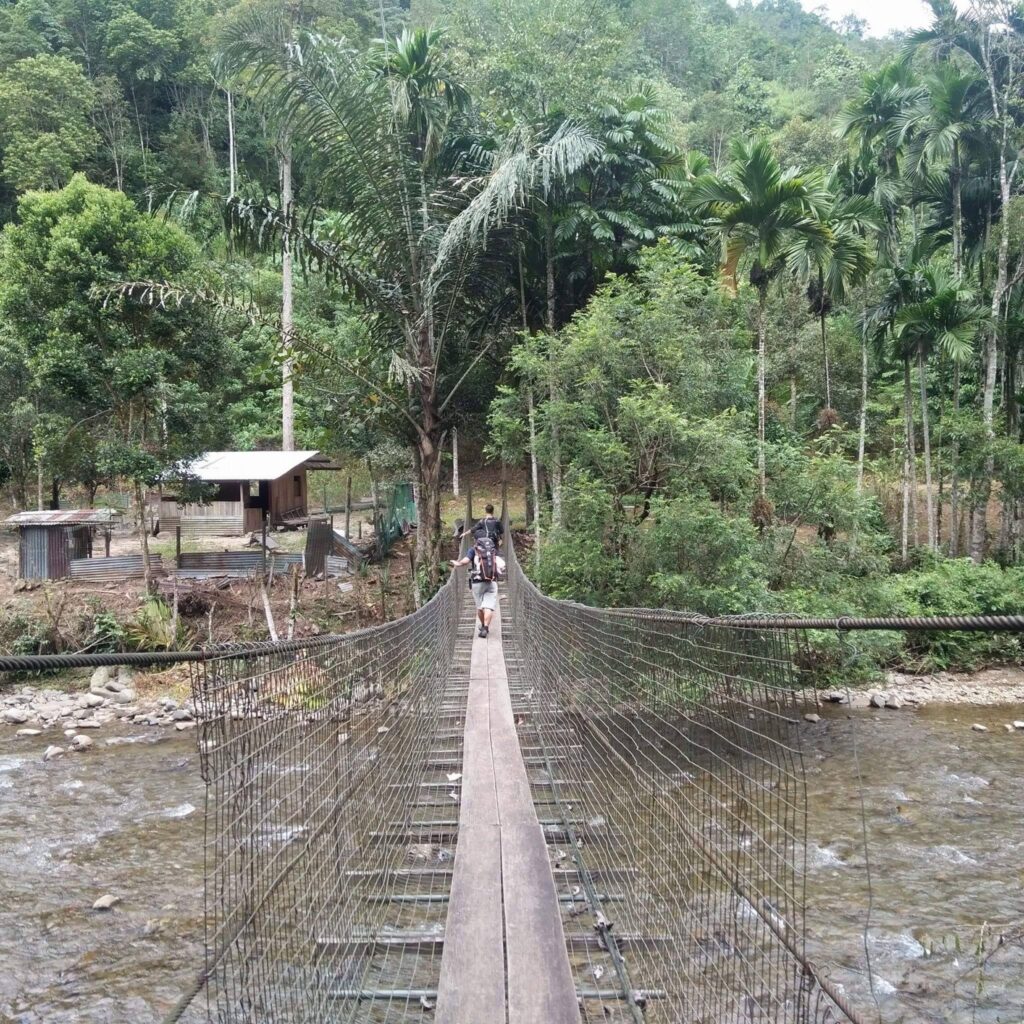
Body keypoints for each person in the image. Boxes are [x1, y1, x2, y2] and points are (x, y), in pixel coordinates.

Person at [450, 540, 499, 639]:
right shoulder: (492, 550)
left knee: (480, 607)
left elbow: (466, 560)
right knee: (488, 607)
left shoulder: (473, 550)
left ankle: (483, 626)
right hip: (492, 582)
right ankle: (485, 627)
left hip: (477, 583)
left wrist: (458, 563)